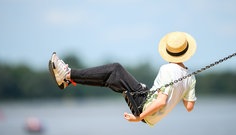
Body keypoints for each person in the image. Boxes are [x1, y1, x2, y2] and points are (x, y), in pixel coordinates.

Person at [49, 31, 197, 126]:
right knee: (111, 78)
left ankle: (67, 75)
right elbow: (189, 107)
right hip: (149, 106)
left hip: (144, 106)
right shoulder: (190, 77)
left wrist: (139, 118)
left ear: (168, 51)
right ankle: (69, 79)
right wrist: (178, 90)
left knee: (115, 69)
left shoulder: (167, 69)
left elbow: (161, 101)